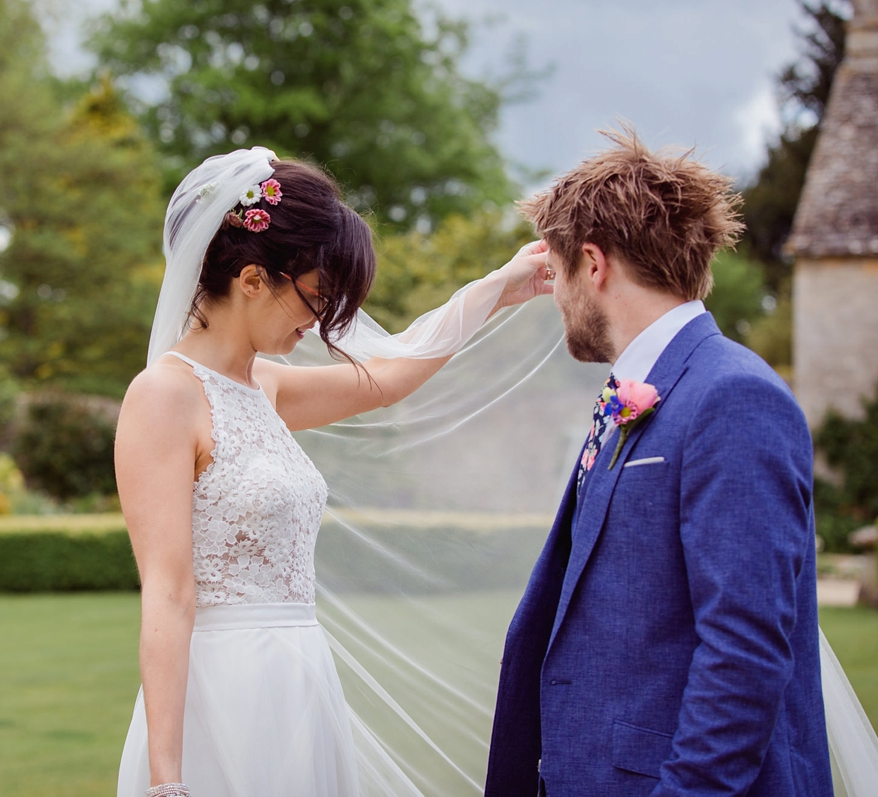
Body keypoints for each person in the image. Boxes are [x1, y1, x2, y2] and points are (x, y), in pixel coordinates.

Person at [114, 147, 553, 797]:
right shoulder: (163, 396)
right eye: (315, 296)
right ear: (254, 279)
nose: (322, 320)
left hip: (301, 683)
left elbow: (390, 376)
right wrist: (166, 780)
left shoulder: (265, 385)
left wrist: (496, 289)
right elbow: (170, 594)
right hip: (224, 692)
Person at [483, 128, 835, 796]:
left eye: (556, 274)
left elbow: (745, 655)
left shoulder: (732, 396)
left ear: (593, 264)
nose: (554, 298)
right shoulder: (639, 394)